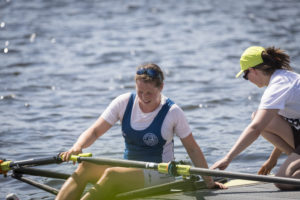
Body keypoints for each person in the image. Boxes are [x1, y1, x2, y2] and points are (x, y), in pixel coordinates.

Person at [56, 63, 225, 200]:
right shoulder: (123, 102)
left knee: (112, 174)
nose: (144, 97)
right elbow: (94, 131)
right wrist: (77, 146)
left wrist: (208, 181)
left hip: (160, 173)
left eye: (149, 92)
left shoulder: (173, 112)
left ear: (161, 87)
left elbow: (192, 148)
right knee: (86, 166)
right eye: (140, 92)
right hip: (129, 168)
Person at [211, 46, 300, 190]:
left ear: (252, 70)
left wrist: (228, 157)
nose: (247, 80)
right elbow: (270, 124)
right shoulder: (284, 77)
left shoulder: (278, 86)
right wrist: (273, 160)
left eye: (245, 76)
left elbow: (256, 128)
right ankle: (294, 158)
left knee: (283, 182)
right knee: (258, 116)